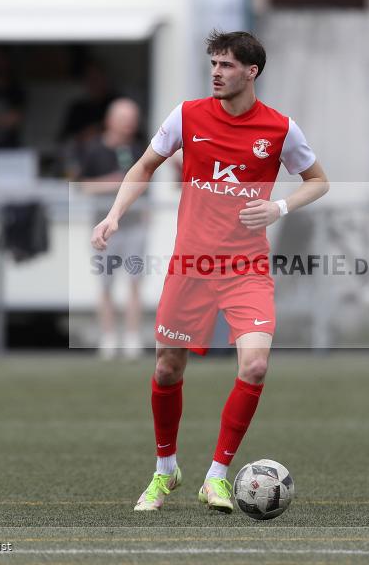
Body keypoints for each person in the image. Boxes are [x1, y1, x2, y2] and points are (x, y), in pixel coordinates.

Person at [91, 30, 329, 513]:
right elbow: (143, 167)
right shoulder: (186, 115)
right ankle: (165, 472)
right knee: (166, 368)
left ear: (251, 71)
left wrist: (278, 207)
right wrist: (114, 214)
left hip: (247, 267)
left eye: (226, 65)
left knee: (256, 365)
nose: (216, 72)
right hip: (192, 265)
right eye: (213, 64)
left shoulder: (281, 129)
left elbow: (319, 182)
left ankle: (216, 476)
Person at [78, 98, 147, 360]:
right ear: (110, 120)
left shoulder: (138, 148)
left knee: (134, 283)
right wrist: (112, 183)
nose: (129, 123)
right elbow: (83, 185)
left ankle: (132, 338)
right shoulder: (93, 149)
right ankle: (108, 338)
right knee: (106, 285)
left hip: (135, 226)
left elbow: (145, 181)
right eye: (123, 117)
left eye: (132, 117)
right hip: (104, 229)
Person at [57, 62, 120, 178]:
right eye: (90, 79)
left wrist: (101, 133)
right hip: (82, 157)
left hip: (111, 157)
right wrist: (83, 136)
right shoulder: (78, 108)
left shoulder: (116, 103)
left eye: (97, 78)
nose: (94, 83)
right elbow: (64, 138)